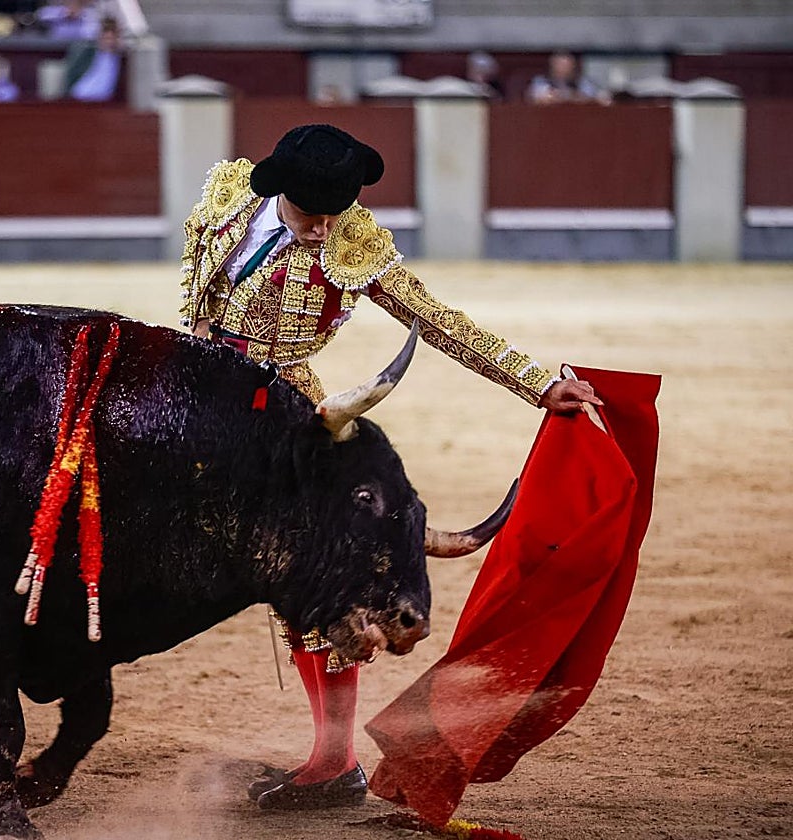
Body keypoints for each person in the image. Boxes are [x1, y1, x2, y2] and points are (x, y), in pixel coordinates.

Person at [179, 124, 601, 810]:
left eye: (332, 216)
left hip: (292, 420)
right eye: (309, 216)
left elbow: (440, 320)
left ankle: (332, 762)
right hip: (196, 398)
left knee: (314, 582)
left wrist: (536, 384)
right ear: (278, 192)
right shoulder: (228, 202)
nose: (321, 231)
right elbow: (200, 309)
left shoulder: (354, 247)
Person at [63, 14, 120, 102]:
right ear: (99, 38)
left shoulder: (120, 58)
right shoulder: (86, 53)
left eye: (112, 39)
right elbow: (72, 74)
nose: (109, 42)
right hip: (81, 97)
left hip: (106, 101)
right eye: (106, 38)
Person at [526, 50, 610, 105]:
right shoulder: (541, 81)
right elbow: (535, 98)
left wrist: (572, 97)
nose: (563, 69)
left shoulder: (583, 82)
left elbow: (599, 99)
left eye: (567, 65)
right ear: (552, 65)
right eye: (560, 65)